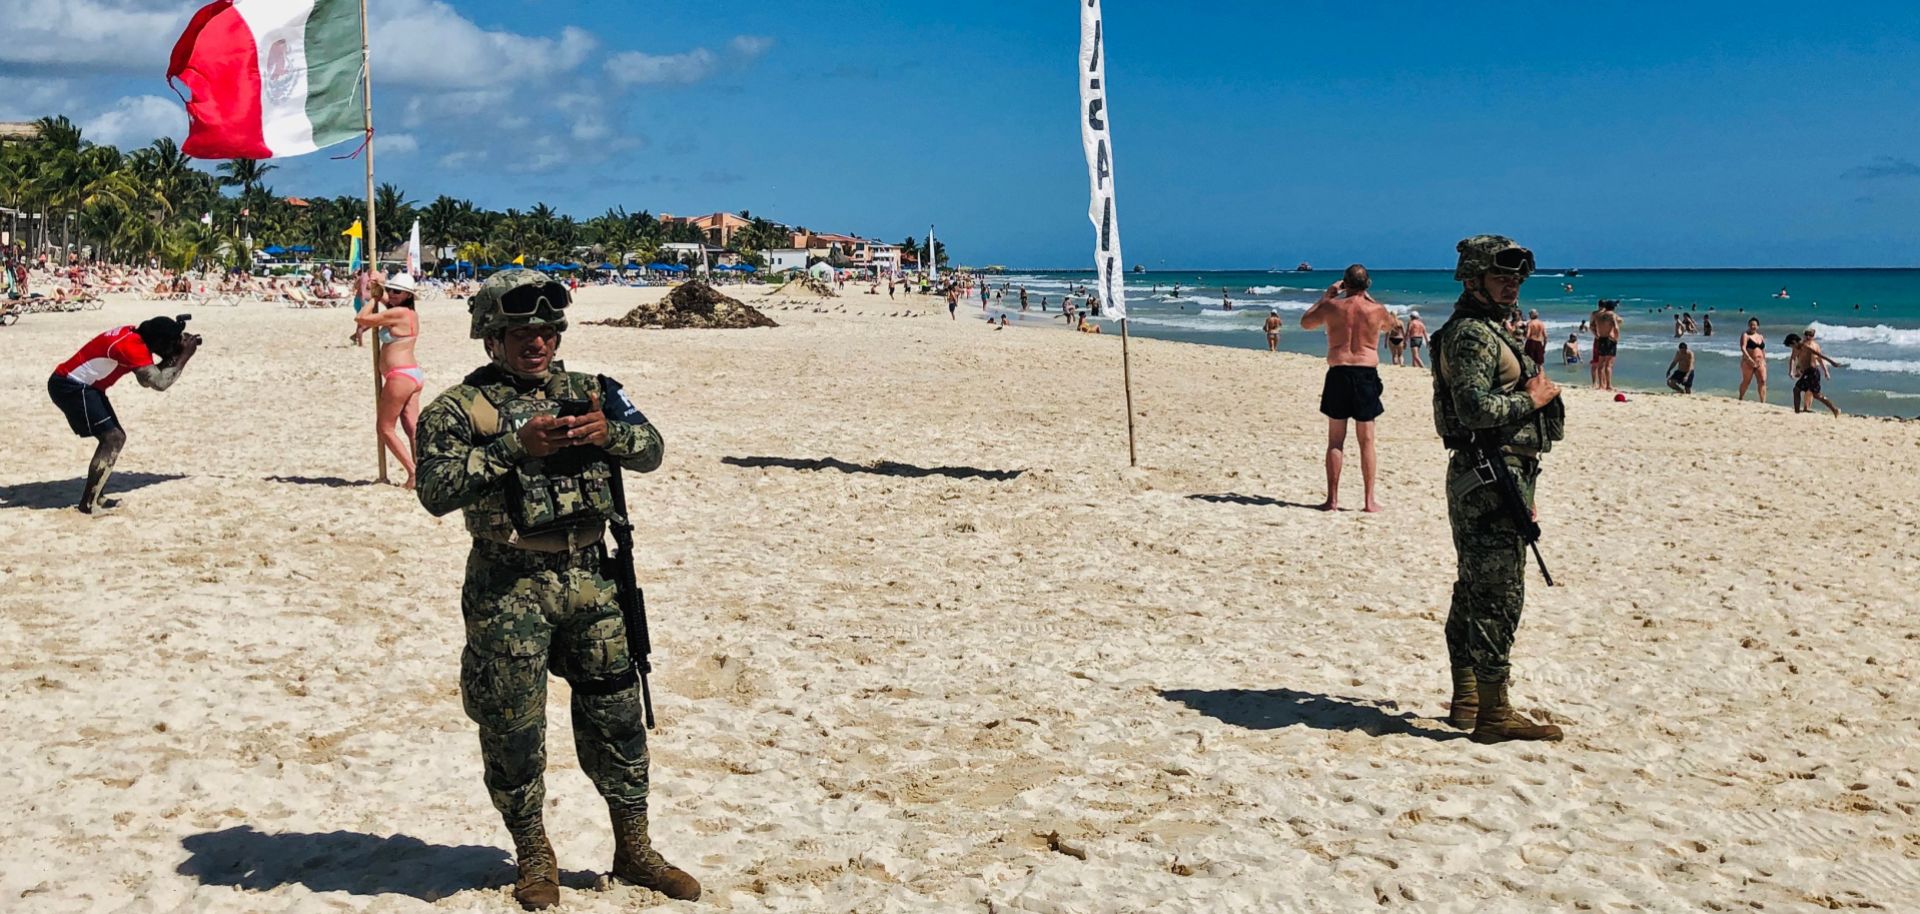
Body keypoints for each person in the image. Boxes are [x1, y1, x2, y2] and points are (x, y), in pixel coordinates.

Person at [414, 271, 699, 908]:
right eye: (521, 332)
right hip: (508, 586)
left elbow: (651, 448)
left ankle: (635, 849)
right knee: (512, 727)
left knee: (618, 718)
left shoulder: (595, 391)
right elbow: (435, 491)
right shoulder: (459, 410)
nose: (536, 342)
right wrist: (514, 447)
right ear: (493, 337)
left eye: (545, 330)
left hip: (593, 579)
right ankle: (534, 855)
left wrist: (608, 434)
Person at [1430, 235, 1565, 743]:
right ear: (1475, 278)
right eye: (1501, 276)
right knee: (1497, 595)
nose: (1511, 285)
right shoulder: (1472, 336)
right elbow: (1473, 410)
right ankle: (1492, 713)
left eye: (1516, 278)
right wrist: (1531, 400)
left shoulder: (1488, 331)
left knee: (1475, 589)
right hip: (1489, 476)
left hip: (1499, 475)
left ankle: (1468, 700)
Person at [47, 315, 202, 513]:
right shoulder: (132, 347)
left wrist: (170, 356)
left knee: (114, 438)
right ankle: (88, 503)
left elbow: (145, 379)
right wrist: (184, 356)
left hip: (82, 386)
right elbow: (159, 383)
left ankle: (95, 497)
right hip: (72, 387)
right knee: (112, 439)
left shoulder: (134, 336)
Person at [1300, 264, 1389, 512]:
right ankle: (1369, 501)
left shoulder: (1331, 307)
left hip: (1339, 372)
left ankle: (1333, 500)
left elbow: (1306, 322)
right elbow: (1391, 325)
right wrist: (1372, 299)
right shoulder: (1377, 309)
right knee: (1367, 441)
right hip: (1365, 374)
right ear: (1368, 284)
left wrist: (1326, 296)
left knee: (1335, 441)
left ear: (1344, 284)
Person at [353, 273, 426, 487]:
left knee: (385, 428)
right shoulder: (408, 312)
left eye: (396, 292)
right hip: (412, 374)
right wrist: (379, 286)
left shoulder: (398, 313)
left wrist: (374, 298)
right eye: (391, 291)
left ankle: (412, 473)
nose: (391, 295)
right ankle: (421, 470)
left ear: (407, 295)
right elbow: (387, 299)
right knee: (411, 426)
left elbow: (361, 319)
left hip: (400, 376)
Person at [1789, 328, 1842, 416]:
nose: (1808, 337)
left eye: (1810, 335)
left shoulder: (1813, 346)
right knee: (1803, 391)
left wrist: (1826, 370)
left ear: (1813, 337)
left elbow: (1820, 358)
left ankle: (1834, 409)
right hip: (1805, 371)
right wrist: (1793, 370)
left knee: (1810, 393)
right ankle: (1799, 411)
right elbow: (1794, 358)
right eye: (1806, 334)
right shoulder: (1798, 346)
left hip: (1812, 372)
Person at [1589, 300, 1621, 390]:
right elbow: (1616, 327)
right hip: (1609, 339)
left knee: (1601, 364)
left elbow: (1591, 326)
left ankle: (1600, 385)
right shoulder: (1612, 315)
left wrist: (1596, 335)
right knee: (1608, 365)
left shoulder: (1598, 315)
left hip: (1601, 339)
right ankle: (1608, 385)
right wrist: (1616, 338)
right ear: (1613, 308)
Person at [1737, 318, 1768, 403]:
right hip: (1748, 362)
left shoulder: (1760, 336)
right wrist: (1749, 360)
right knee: (1746, 381)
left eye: (1754, 325)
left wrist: (1764, 360)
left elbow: (1763, 349)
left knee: (1762, 381)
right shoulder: (1745, 335)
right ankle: (1741, 398)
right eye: (1751, 324)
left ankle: (1763, 402)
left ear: (1758, 326)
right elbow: (1743, 348)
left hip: (1760, 362)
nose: (1752, 326)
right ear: (1748, 325)